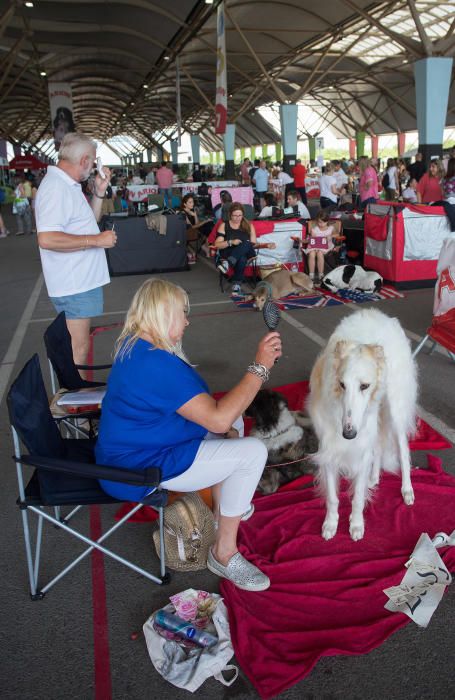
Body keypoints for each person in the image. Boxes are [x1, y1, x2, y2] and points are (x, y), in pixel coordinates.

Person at [96, 278, 282, 591]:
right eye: (182, 312)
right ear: (162, 314)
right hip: (137, 466)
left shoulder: (136, 345)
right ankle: (223, 553)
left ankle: (227, 507)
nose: (186, 320)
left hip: (140, 445)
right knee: (251, 450)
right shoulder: (155, 364)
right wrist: (260, 367)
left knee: (234, 424)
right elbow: (218, 420)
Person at [35, 132, 116, 373]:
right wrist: (97, 240)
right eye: (92, 163)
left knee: (79, 347)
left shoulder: (67, 186)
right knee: (78, 349)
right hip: (75, 284)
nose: (92, 168)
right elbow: (47, 239)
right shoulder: (56, 188)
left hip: (79, 281)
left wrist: (99, 192)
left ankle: (75, 400)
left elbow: (87, 222)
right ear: (84, 161)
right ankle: (75, 403)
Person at [214, 202, 275, 294]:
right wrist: (231, 242)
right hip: (229, 251)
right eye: (235, 215)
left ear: (243, 214)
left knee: (246, 244)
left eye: (240, 215)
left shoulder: (249, 225)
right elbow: (217, 244)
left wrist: (266, 245)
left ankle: (228, 264)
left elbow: (253, 245)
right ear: (230, 214)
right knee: (242, 258)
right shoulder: (224, 225)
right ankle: (237, 284)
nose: (238, 218)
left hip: (247, 251)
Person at [304, 210, 341, 283]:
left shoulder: (331, 228)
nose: (320, 224)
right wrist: (312, 236)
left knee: (320, 253)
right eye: (319, 222)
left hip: (326, 246)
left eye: (322, 222)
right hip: (315, 246)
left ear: (327, 221)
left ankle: (321, 274)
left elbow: (337, 235)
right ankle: (311, 274)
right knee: (312, 253)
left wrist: (330, 236)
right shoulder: (315, 229)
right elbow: (312, 240)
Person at [180, 193, 212, 260]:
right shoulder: (183, 213)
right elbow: (191, 227)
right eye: (190, 202)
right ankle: (205, 247)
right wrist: (204, 222)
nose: (192, 204)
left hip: (194, 229)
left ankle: (206, 246)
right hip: (186, 232)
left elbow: (197, 223)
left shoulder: (192, 210)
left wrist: (195, 215)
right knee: (206, 226)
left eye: (193, 202)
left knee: (209, 225)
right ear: (185, 204)